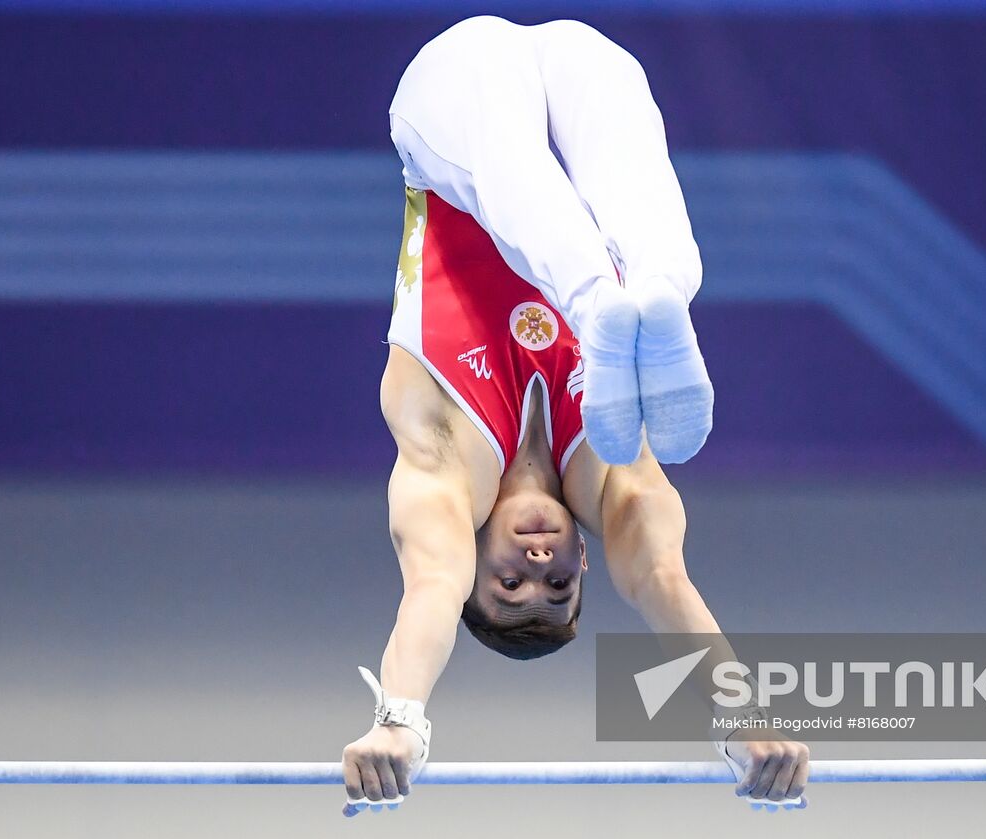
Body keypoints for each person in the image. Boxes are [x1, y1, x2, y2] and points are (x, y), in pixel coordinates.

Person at [340, 16, 808, 817]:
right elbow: (662, 578)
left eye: (509, 582)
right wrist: (744, 720)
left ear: (474, 561)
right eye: (557, 584)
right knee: (639, 204)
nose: (537, 562)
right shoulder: (604, 459)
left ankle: (605, 304)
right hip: (585, 61)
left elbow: (428, 589)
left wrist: (399, 722)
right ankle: (659, 293)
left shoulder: (441, 466)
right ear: (584, 565)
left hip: (455, 93)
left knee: (513, 174)